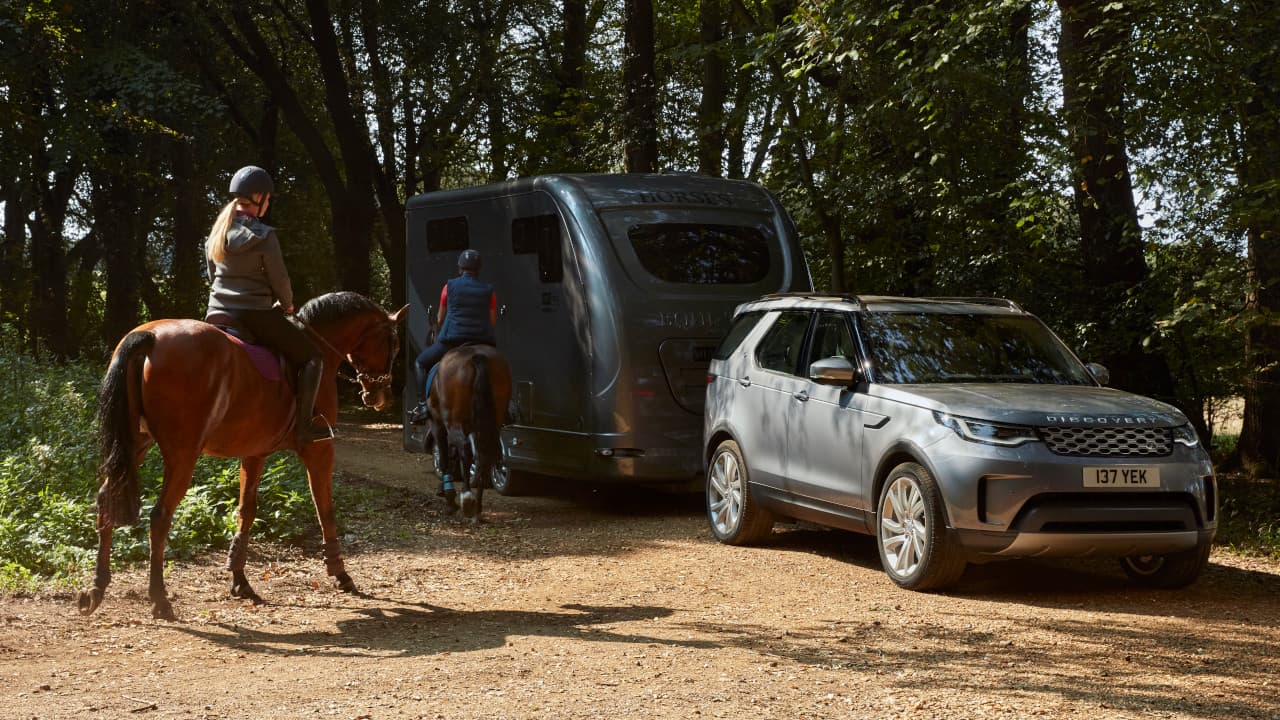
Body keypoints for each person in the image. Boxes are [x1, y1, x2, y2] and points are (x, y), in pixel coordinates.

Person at [204, 165, 332, 445]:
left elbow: (213, 276)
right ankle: (304, 426)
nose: (269, 203)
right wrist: (288, 304)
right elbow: (280, 278)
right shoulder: (264, 236)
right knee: (313, 357)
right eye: (269, 199)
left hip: (217, 313)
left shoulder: (216, 233)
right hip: (254, 314)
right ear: (259, 198)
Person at [408, 249, 497, 424]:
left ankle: (422, 406)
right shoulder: (489, 291)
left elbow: (440, 318)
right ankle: (507, 408)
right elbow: (492, 321)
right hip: (483, 341)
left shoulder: (449, 287)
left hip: (453, 340)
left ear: (460, 268)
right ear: (479, 269)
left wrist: (439, 329)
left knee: (420, 363)